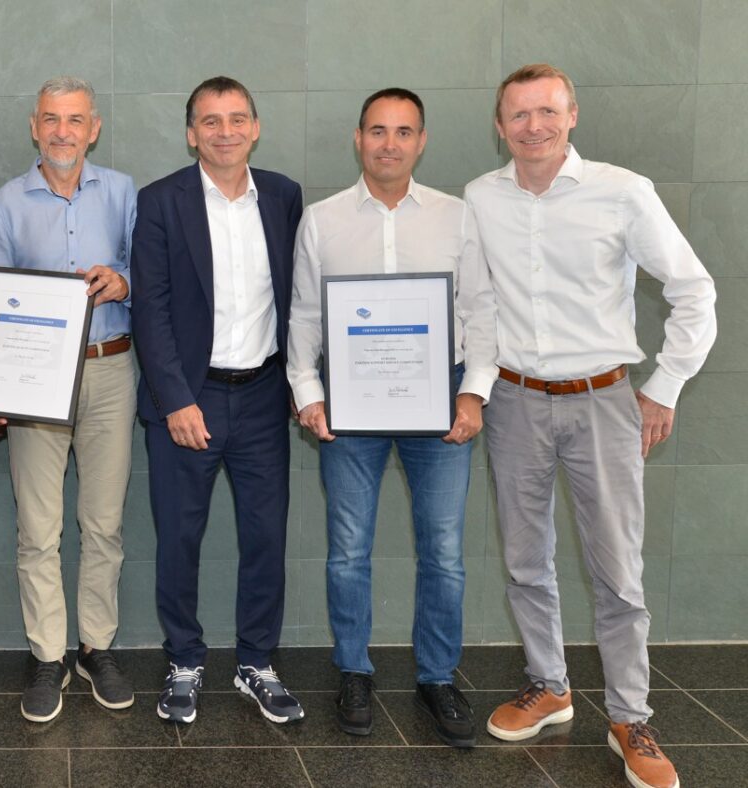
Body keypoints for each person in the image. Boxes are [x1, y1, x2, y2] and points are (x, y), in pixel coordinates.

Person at [468, 63, 715, 788]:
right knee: (525, 560)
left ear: (571, 115)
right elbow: (475, 305)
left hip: (604, 401)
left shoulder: (623, 191)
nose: (534, 126)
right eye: (519, 114)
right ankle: (550, 686)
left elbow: (693, 289)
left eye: (547, 111)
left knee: (617, 572)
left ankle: (631, 717)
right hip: (513, 400)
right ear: (499, 125)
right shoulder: (481, 198)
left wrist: (664, 387)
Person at [287, 88, 497, 748]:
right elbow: (304, 316)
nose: (389, 143)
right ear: (358, 139)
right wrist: (307, 391)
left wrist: (475, 392)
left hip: (442, 402)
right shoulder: (321, 220)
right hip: (349, 406)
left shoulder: (456, 217)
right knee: (349, 550)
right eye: (377, 130)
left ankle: (437, 676)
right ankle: (354, 670)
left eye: (404, 131)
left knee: (444, 551)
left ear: (421, 141)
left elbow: (481, 311)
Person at [132, 76, 304, 725]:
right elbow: (150, 310)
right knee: (179, 536)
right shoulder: (160, 201)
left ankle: (256, 661)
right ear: (191, 133)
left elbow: (301, 297)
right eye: (210, 121)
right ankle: (184, 659)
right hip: (189, 397)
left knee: (266, 536)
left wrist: (304, 384)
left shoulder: (283, 196)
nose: (224, 132)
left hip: (262, 395)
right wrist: (175, 399)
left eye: (236, 119)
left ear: (255, 128)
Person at [0, 75, 137, 723]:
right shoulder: (7, 203)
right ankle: (47, 655)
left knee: (104, 523)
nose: (62, 131)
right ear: (33, 127)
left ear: (94, 128)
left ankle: (97, 648)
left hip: (109, 369)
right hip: (32, 381)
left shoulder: (123, 192)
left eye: (74, 120)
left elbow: (152, 272)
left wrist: (124, 282)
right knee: (38, 528)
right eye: (50, 119)